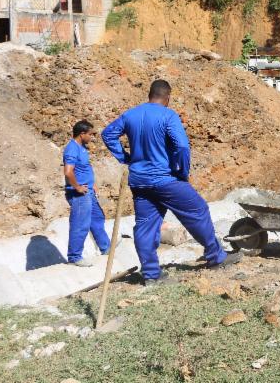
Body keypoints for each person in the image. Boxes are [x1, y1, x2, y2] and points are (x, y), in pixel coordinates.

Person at [102, 79, 240, 285]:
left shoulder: (130, 114)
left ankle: (151, 274)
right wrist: (182, 171)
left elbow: (107, 134)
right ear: (167, 98)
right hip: (165, 179)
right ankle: (216, 257)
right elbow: (182, 147)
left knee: (145, 226)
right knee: (198, 209)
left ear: (150, 95)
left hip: (140, 181)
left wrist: (125, 157)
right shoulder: (168, 115)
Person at [63, 120, 111, 266]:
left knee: (97, 218)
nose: (92, 137)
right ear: (82, 134)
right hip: (79, 194)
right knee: (80, 224)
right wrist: (77, 187)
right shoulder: (72, 149)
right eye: (90, 134)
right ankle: (74, 257)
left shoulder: (82, 147)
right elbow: (68, 172)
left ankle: (106, 247)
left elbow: (84, 168)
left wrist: (92, 184)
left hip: (89, 190)